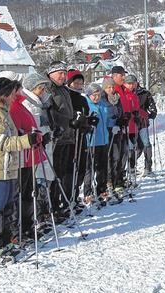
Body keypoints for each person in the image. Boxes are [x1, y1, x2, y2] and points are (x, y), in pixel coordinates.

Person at [0, 77, 41, 257]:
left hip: (5, 167)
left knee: (6, 206)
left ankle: (3, 240)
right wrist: (26, 140)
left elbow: (8, 135)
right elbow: (1, 142)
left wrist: (24, 135)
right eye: (12, 94)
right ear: (3, 94)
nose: (14, 97)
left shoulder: (3, 112)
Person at [6, 72, 48, 242]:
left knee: (30, 192)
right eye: (18, 88)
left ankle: (28, 226)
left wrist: (39, 136)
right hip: (22, 157)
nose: (20, 91)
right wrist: (28, 135)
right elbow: (14, 132)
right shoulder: (14, 107)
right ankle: (18, 230)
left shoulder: (21, 105)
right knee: (21, 194)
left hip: (31, 154)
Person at [21, 73, 55, 234]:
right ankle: (38, 217)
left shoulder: (40, 104)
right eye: (39, 88)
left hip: (44, 147)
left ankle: (43, 214)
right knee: (38, 182)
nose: (42, 91)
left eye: (43, 88)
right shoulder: (29, 104)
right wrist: (42, 136)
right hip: (35, 149)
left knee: (45, 181)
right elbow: (31, 128)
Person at [46, 61, 76, 220]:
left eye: (64, 73)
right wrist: (66, 122)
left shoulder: (64, 89)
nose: (63, 76)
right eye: (60, 73)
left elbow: (68, 111)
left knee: (65, 172)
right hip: (57, 137)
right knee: (55, 173)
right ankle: (53, 207)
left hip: (68, 136)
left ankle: (63, 203)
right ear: (51, 73)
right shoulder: (48, 88)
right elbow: (50, 113)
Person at [66, 69, 92, 212]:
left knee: (81, 168)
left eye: (81, 83)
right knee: (71, 169)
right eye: (76, 83)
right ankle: (68, 198)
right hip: (71, 138)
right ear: (70, 83)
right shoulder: (67, 96)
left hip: (81, 136)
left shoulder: (82, 98)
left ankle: (75, 196)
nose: (78, 85)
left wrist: (88, 123)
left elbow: (85, 114)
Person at [83, 83, 110, 203]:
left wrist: (117, 123)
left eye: (98, 95)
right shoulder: (86, 105)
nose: (96, 97)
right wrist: (88, 123)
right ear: (89, 95)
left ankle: (101, 190)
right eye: (94, 95)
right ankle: (87, 192)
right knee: (90, 168)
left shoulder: (103, 105)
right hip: (91, 141)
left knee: (102, 167)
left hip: (104, 140)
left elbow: (108, 120)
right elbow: (84, 122)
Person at [126, 75, 157, 176]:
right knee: (135, 147)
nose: (131, 85)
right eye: (129, 83)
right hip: (130, 123)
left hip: (142, 123)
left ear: (136, 83)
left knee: (146, 144)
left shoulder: (144, 93)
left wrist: (152, 112)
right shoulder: (125, 93)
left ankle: (148, 167)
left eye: (133, 83)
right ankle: (131, 167)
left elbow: (151, 104)